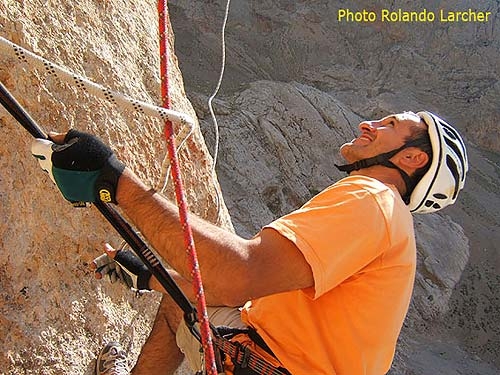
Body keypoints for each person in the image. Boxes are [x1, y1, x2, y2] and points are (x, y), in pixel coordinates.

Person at [31, 111, 468, 375]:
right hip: (271, 357)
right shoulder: (385, 222)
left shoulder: (370, 202)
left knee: (183, 311)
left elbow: (236, 273)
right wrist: (151, 277)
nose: (368, 124)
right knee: (181, 307)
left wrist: (112, 178)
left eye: (389, 125)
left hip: (265, 365)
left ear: (412, 159)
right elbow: (227, 294)